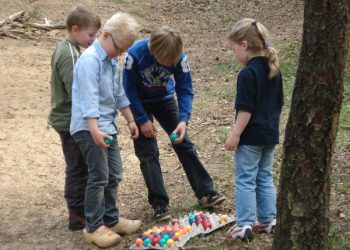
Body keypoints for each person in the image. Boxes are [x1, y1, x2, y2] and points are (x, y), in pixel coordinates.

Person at [123, 25, 226, 222]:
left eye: (173, 60)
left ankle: (206, 192)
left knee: (183, 143)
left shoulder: (179, 56)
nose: (170, 63)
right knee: (148, 153)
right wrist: (142, 120)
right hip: (139, 104)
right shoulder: (135, 55)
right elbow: (128, 90)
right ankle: (159, 204)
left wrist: (183, 120)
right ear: (153, 51)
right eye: (166, 61)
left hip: (164, 99)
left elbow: (185, 88)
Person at [70, 12, 142, 248]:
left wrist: (131, 120)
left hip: (107, 126)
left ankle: (110, 219)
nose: (121, 53)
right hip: (89, 128)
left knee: (114, 173)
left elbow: (119, 94)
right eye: (120, 47)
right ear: (107, 35)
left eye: (125, 50)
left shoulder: (112, 61)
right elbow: (88, 100)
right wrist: (94, 130)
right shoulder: (90, 61)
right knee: (99, 176)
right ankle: (93, 227)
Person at [224, 18, 284, 240]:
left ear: (244, 45)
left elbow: (245, 110)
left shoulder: (247, 74)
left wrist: (235, 134)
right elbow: (279, 104)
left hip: (250, 138)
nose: (234, 54)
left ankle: (245, 222)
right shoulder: (274, 70)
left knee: (246, 178)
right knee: (265, 176)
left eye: (234, 49)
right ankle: (269, 219)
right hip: (270, 135)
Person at [47, 4, 101, 231]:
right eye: (90, 35)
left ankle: (81, 211)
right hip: (69, 121)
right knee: (77, 167)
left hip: (69, 119)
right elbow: (76, 92)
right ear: (75, 29)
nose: (93, 39)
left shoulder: (70, 48)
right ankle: (77, 214)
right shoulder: (69, 54)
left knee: (80, 167)